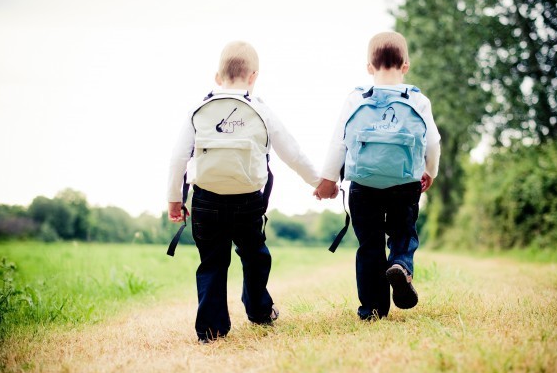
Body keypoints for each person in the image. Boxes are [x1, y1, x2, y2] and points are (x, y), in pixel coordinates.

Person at [167, 41, 321, 342]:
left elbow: (177, 158)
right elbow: (292, 152)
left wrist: (175, 199)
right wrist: (319, 181)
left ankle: (211, 330)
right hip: (248, 202)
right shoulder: (260, 110)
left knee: (212, 261)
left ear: (217, 76)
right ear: (253, 76)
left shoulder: (199, 110)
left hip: (206, 200)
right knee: (255, 257)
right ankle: (259, 310)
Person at [314, 31, 441, 320]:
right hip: (405, 182)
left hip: (364, 184)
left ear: (369, 66)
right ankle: (401, 266)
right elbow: (433, 142)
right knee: (403, 233)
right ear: (405, 65)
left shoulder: (356, 99)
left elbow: (339, 140)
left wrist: (328, 180)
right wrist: (429, 171)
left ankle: (372, 309)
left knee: (369, 245)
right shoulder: (419, 100)